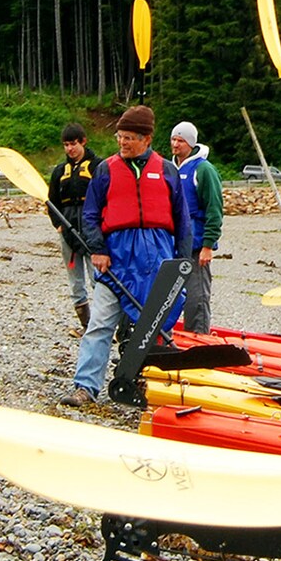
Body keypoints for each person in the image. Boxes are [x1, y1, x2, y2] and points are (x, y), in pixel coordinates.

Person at [64, 105, 191, 408]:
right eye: (120, 137)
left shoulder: (168, 171)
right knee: (100, 324)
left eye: (130, 138)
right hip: (116, 261)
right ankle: (86, 387)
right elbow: (91, 215)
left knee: (158, 328)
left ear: (147, 139)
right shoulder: (105, 170)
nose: (123, 143)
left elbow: (183, 221)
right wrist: (98, 250)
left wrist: (182, 265)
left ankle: (152, 384)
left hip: (156, 261)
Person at [168, 120, 223, 335]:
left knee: (196, 298)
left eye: (180, 140)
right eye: (173, 139)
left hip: (196, 246)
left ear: (190, 143)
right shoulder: (169, 168)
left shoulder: (204, 170)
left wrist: (208, 245)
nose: (175, 144)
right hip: (172, 244)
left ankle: (199, 337)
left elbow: (214, 209)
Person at [46, 123, 100, 330]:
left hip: (91, 230)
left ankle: (102, 323)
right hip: (68, 230)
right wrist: (58, 224)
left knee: (97, 279)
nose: (70, 149)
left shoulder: (97, 166)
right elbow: (51, 201)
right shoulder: (60, 171)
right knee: (76, 282)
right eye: (66, 145)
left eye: (73, 144)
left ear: (83, 142)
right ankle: (86, 325)